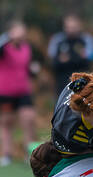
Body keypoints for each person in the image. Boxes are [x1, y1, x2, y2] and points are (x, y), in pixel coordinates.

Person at [0, 20, 37, 166]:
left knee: (28, 120)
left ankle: (29, 155)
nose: (21, 34)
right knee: (7, 123)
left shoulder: (27, 48)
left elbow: (27, 68)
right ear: (11, 32)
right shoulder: (4, 47)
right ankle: (7, 154)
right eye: (17, 31)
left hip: (23, 91)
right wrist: (7, 36)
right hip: (6, 92)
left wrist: (33, 71)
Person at [48, 14, 93, 96]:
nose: (70, 30)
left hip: (83, 83)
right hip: (62, 84)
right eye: (68, 27)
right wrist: (76, 58)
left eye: (73, 27)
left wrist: (67, 60)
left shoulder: (87, 39)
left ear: (79, 26)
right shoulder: (58, 40)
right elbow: (53, 61)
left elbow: (90, 59)